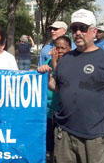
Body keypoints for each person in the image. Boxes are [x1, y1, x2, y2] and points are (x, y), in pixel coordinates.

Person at [41, 9, 104, 162]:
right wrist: (48, 77)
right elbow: (57, 87)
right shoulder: (66, 59)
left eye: (83, 28)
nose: (78, 32)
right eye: (74, 28)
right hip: (64, 132)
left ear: (94, 31)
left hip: (94, 135)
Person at [37, 35, 72, 163]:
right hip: (48, 111)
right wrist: (41, 69)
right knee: (49, 144)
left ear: (70, 49)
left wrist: (55, 61)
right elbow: (39, 75)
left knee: (62, 146)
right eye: (57, 48)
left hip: (63, 112)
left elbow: (60, 80)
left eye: (63, 48)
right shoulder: (48, 62)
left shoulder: (72, 63)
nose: (60, 51)